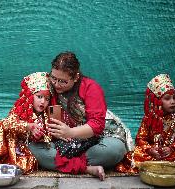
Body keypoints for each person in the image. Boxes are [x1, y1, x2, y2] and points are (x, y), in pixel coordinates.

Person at [28, 52, 130, 181]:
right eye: (53, 78)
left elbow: (97, 126)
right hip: (65, 142)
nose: (56, 84)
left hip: (99, 137)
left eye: (63, 81)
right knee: (32, 148)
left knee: (114, 151)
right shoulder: (47, 84)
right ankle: (86, 168)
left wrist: (70, 132)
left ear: (76, 77)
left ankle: (65, 163)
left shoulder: (90, 88)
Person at [116, 74, 175, 173]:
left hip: (170, 153)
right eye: (167, 99)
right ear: (158, 102)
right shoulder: (149, 119)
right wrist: (150, 150)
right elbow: (140, 138)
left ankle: (156, 165)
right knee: (132, 155)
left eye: (174, 98)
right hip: (152, 153)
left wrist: (171, 148)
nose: (173, 102)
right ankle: (165, 165)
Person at [0, 72, 52, 174]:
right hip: (18, 147)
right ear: (30, 95)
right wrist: (28, 126)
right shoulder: (20, 110)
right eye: (39, 96)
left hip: (36, 147)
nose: (43, 102)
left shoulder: (46, 115)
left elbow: (48, 135)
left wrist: (42, 136)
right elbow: (7, 125)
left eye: (47, 99)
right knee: (25, 165)